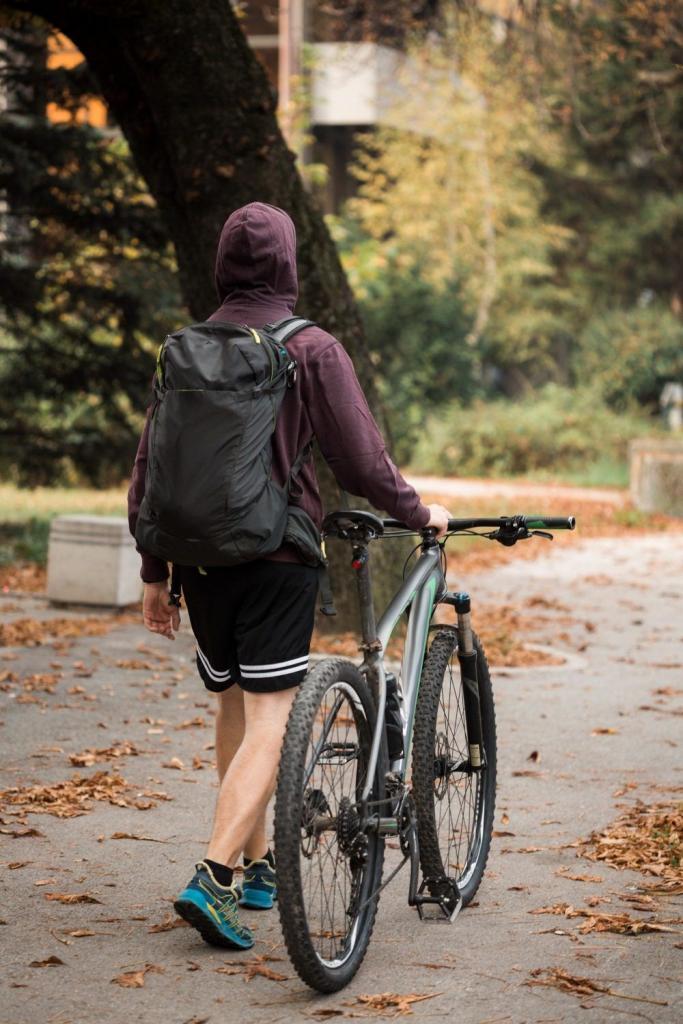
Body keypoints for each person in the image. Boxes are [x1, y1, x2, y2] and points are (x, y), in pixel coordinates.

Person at [127, 201, 452, 951]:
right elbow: (361, 463)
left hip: (199, 560)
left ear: (220, 266)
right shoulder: (309, 348)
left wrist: (154, 570)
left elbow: (150, 464)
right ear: (288, 266)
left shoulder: (186, 347)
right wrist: (417, 510)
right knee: (273, 717)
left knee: (236, 708)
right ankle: (214, 875)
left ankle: (258, 864)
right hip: (276, 554)